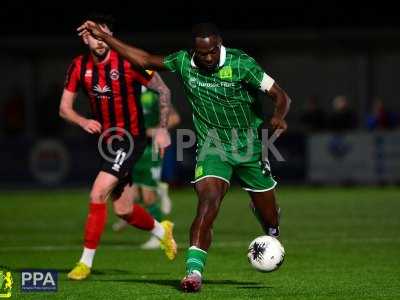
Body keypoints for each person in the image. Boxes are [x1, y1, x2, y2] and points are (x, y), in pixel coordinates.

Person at [78, 21, 291, 292]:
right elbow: (144, 59)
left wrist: (278, 116)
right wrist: (107, 40)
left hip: (249, 148)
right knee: (207, 205)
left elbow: (281, 95)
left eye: (213, 51)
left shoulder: (242, 64)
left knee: (271, 220)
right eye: (203, 53)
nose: (209, 57)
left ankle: (270, 225)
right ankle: (193, 273)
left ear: (219, 44)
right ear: (195, 50)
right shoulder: (183, 62)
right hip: (212, 149)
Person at [60, 13, 177, 281]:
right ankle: (162, 231)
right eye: (92, 35)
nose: (98, 41)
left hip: (131, 138)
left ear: (109, 35)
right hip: (105, 142)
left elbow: (164, 91)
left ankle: (84, 263)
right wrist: (82, 120)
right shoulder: (78, 67)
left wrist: (161, 128)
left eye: (103, 34)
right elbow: (64, 109)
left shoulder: (126, 62)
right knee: (123, 209)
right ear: (84, 39)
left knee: (97, 193)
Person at [112, 87, 181, 251]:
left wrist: (157, 129)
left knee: (148, 197)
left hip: (152, 150)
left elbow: (174, 118)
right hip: (132, 149)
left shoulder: (155, 93)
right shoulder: (125, 92)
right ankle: (160, 191)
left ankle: (159, 236)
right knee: (131, 193)